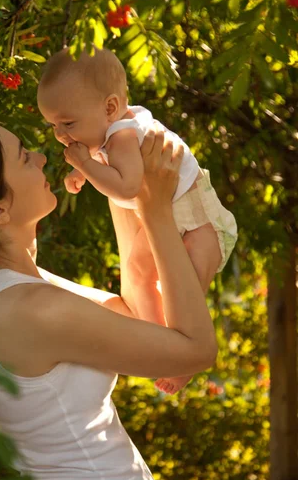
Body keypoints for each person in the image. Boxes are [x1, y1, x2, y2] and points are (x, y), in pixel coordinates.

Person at [0, 113, 217, 480]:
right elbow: (195, 350)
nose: (41, 158)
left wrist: (123, 185)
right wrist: (156, 212)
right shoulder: (32, 310)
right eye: (24, 157)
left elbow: (138, 315)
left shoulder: (7, 289)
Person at [37, 47, 237, 394]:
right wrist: (81, 171)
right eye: (54, 125)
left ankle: (181, 361)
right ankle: (158, 344)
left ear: (110, 108)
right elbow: (109, 166)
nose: (61, 134)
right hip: (166, 212)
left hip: (196, 215)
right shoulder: (105, 132)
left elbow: (127, 184)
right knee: (141, 273)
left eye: (68, 123)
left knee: (186, 286)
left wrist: (85, 166)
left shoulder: (124, 136)